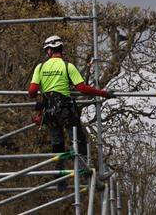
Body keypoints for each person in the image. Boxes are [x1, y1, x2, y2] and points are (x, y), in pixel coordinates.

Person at [28, 35, 112, 188]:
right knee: (79, 140)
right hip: (65, 109)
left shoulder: (40, 67)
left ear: (49, 50)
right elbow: (82, 89)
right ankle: (85, 172)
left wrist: (42, 93)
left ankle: (60, 178)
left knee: (57, 143)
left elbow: (32, 91)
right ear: (60, 49)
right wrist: (103, 93)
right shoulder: (68, 66)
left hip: (49, 111)